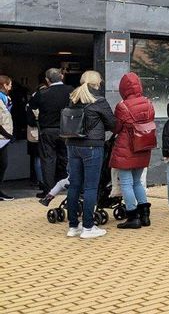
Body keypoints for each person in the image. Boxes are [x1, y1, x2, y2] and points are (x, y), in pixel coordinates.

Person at [62, 71, 116, 238]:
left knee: (74, 185)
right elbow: (112, 124)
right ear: (98, 83)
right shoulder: (99, 100)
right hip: (92, 146)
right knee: (91, 186)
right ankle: (88, 227)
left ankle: (73, 226)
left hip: (72, 145)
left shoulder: (73, 98)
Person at [112, 72, 156, 230]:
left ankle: (132, 217)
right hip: (143, 146)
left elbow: (116, 127)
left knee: (126, 183)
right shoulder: (148, 103)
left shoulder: (122, 106)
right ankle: (145, 215)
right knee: (137, 182)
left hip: (126, 148)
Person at [29, 68, 74, 196]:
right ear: (62, 76)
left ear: (47, 80)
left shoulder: (42, 93)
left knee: (48, 160)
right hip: (67, 130)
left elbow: (31, 107)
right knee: (65, 158)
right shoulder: (71, 90)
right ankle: (67, 184)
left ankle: (49, 190)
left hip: (47, 130)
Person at [0, 75, 14, 201]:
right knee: (2, 163)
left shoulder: (6, 99)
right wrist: (7, 134)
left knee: (3, 164)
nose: (11, 87)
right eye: (9, 84)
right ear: (4, 85)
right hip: (2, 137)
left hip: (4, 139)